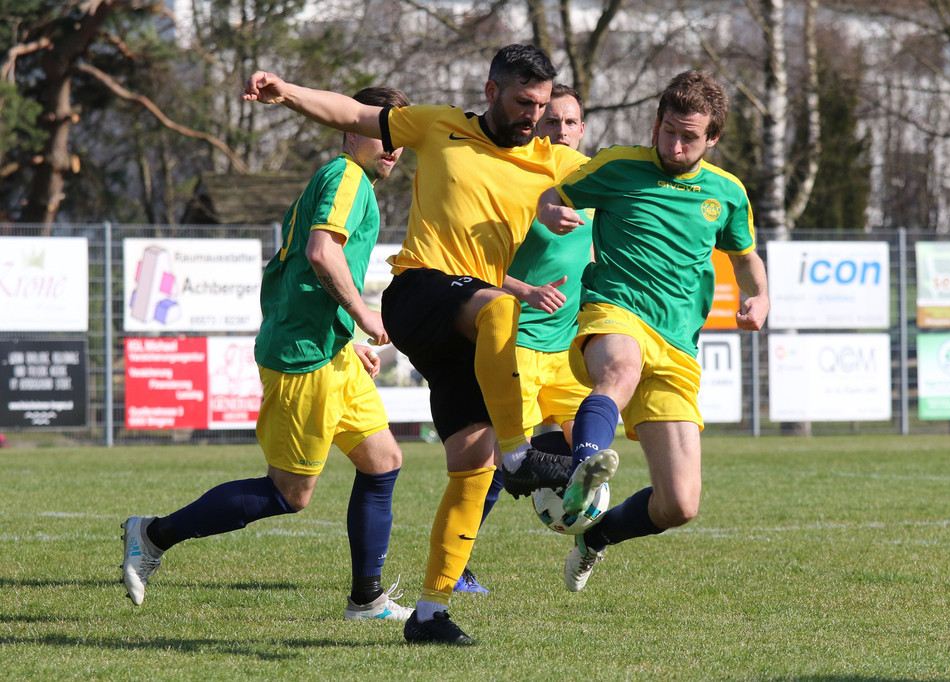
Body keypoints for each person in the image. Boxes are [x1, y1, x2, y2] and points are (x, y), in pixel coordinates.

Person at [243, 45, 588, 645]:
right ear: (491, 92)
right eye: (522, 101)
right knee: (499, 312)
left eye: (540, 104)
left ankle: (430, 613)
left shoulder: (553, 163)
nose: (533, 115)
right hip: (419, 292)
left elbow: (629, 181)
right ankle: (520, 455)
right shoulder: (438, 125)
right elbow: (353, 115)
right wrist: (287, 91)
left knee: (472, 468)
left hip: (464, 330)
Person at [120, 86, 415, 622]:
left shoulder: (348, 181)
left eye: (399, 136)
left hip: (330, 351)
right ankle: (153, 534)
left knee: (384, 462)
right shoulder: (348, 177)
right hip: (304, 358)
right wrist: (366, 315)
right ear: (351, 130)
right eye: (381, 131)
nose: (393, 146)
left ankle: (366, 600)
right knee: (290, 494)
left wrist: (346, 334)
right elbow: (321, 253)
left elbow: (304, 270)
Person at [536, 70, 770, 592]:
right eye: (668, 131)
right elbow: (555, 194)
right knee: (620, 368)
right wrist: (550, 211)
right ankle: (584, 470)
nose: (675, 145)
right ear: (656, 123)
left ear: (713, 139)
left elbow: (745, 256)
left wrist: (761, 295)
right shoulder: (619, 165)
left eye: (689, 137)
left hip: (678, 343)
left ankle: (597, 536)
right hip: (616, 310)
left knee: (679, 504)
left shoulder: (727, 192)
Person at [457, 84, 593, 595]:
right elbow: (473, 266)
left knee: (591, 457)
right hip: (517, 345)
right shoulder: (519, 184)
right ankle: (457, 563)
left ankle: (588, 537)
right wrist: (526, 291)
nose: (561, 131)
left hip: (568, 354)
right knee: (498, 464)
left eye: (570, 122)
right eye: (551, 121)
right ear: (536, 127)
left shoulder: (596, 190)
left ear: (583, 129)